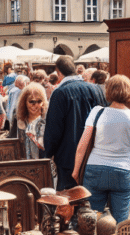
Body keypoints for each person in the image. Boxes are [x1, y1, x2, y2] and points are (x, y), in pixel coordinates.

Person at [72, 75, 130, 223]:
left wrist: (75, 171)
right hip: (123, 170)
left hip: (96, 168)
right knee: (121, 219)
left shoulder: (97, 112)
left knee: (91, 218)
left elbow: (82, 146)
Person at [44, 55, 108, 190]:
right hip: (94, 153)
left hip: (68, 157)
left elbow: (53, 129)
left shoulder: (60, 93)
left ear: (59, 72)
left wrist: (49, 152)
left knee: (69, 201)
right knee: (92, 201)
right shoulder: (95, 89)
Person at [16, 82, 48, 161]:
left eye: (39, 101)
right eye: (31, 102)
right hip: (24, 165)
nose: (35, 105)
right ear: (24, 102)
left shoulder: (47, 120)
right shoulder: (20, 121)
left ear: (43, 102)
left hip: (43, 164)